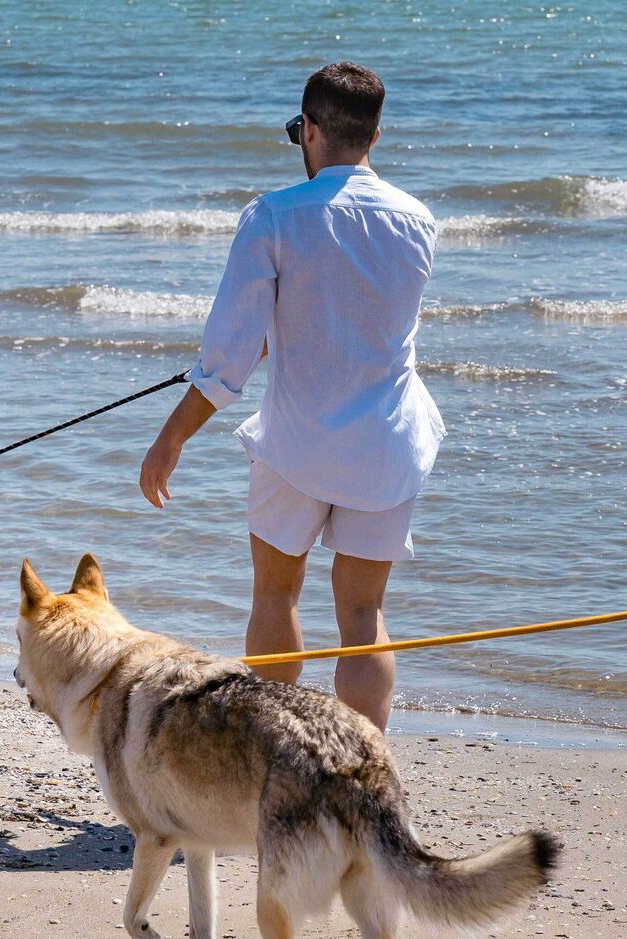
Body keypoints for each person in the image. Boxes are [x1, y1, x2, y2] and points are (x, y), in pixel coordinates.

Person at [138, 62, 442, 731]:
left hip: (297, 442)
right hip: (385, 444)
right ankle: (361, 776)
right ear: (375, 136)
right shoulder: (419, 221)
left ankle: (273, 757)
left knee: (276, 593)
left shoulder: (272, 216)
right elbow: (361, 325)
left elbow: (227, 358)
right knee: (363, 617)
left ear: (308, 129)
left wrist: (171, 437)